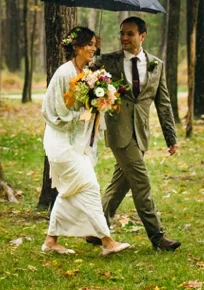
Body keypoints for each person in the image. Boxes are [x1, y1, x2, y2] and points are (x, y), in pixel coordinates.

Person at [87, 16, 181, 251]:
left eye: (129, 33)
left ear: (142, 36)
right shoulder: (108, 61)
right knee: (141, 181)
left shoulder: (156, 65)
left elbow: (164, 104)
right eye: (122, 33)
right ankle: (158, 238)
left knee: (120, 184)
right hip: (118, 132)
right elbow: (84, 76)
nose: (124, 38)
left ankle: (95, 230)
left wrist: (172, 138)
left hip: (140, 133)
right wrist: (93, 51)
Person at [41, 26, 131, 256]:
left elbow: (90, 107)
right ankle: (107, 241)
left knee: (70, 190)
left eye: (94, 44)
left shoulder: (89, 73)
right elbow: (51, 111)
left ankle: (51, 240)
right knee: (89, 185)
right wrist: (83, 115)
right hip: (61, 143)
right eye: (89, 44)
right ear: (77, 46)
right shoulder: (63, 74)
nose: (93, 48)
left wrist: (100, 102)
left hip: (79, 143)